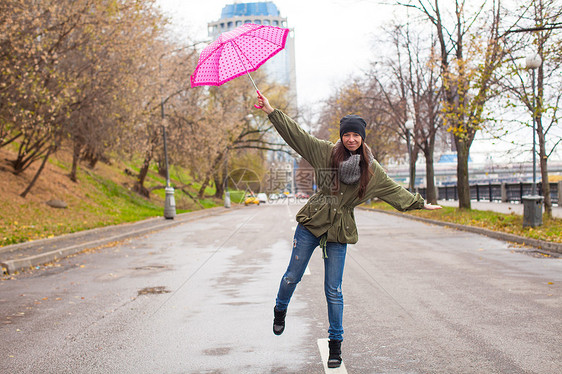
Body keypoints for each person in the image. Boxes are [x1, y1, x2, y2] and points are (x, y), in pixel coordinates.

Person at [255, 92, 441, 369]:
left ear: (363, 137)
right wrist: (272, 112)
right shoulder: (326, 152)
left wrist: (419, 203)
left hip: (339, 231)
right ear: (341, 136)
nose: (351, 139)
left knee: (334, 290)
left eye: (356, 135)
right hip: (312, 223)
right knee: (292, 277)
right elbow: (297, 135)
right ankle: (280, 309)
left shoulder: (371, 170)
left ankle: (336, 346)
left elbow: (393, 190)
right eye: (347, 135)